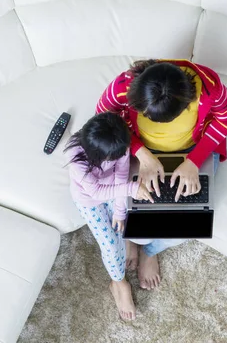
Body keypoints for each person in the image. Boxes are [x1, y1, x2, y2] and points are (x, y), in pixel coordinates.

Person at [96, 59, 227, 290]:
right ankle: (135, 241)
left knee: (188, 225)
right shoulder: (123, 85)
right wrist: (141, 153)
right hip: (140, 151)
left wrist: (194, 161)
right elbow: (104, 116)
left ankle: (150, 251)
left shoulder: (209, 86)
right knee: (132, 212)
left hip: (193, 152)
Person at [65, 112, 154, 321]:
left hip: (115, 188)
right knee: (110, 245)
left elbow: (121, 176)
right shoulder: (75, 157)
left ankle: (128, 243)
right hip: (90, 200)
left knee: (127, 219)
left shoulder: (119, 141)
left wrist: (121, 211)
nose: (123, 155)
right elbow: (96, 192)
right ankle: (118, 282)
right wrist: (132, 189)